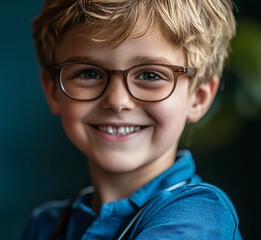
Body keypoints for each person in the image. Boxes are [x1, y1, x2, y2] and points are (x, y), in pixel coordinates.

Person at [21, 0, 242, 239]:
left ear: (198, 97)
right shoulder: (45, 226)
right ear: (53, 90)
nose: (117, 101)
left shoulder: (201, 215)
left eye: (150, 74)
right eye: (88, 73)